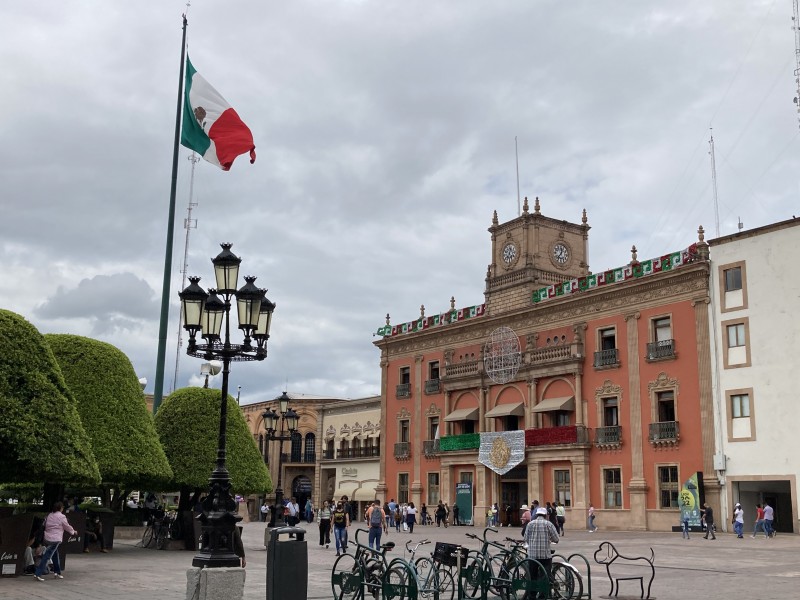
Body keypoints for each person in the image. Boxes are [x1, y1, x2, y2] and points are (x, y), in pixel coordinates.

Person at [34, 501, 76, 581]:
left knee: (55, 555)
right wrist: (73, 532)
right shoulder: (62, 516)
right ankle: (38, 574)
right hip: (56, 538)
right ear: (60, 508)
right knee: (46, 556)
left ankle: (57, 572)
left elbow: (45, 525)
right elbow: (66, 526)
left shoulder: (49, 515)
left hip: (47, 537)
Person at [524, 507, 560, 599]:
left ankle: (532, 596)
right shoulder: (549, 524)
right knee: (545, 576)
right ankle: (542, 596)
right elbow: (556, 539)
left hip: (532, 555)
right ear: (545, 515)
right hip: (545, 555)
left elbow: (526, 539)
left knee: (532, 576)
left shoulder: (530, 524)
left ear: (536, 515)